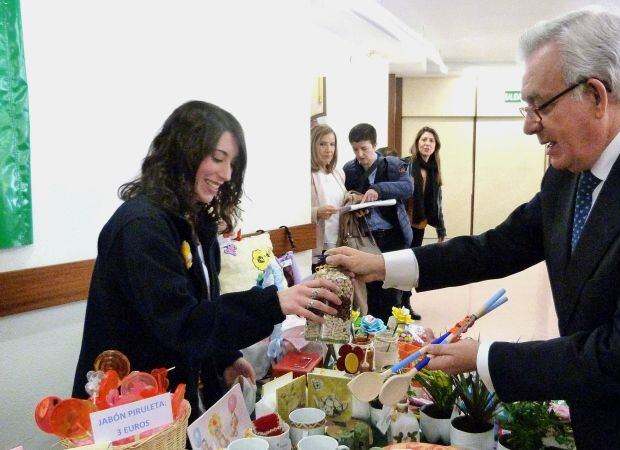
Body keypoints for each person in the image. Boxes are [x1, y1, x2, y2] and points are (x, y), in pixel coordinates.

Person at [328, 7, 620, 448]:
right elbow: (498, 246)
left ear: (596, 95)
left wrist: (484, 358)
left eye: (540, 106)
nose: (527, 125)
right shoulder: (573, 167)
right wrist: (382, 265)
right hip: (606, 414)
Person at [72, 101, 340, 421]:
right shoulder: (141, 227)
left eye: (232, 164)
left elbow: (203, 306)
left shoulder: (196, 220)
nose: (226, 174)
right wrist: (274, 303)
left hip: (170, 398)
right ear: (183, 151)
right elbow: (183, 324)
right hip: (128, 406)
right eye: (217, 158)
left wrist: (224, 358)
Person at [342, 123, 413, 321]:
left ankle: (391, 337)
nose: (360, 154)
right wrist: (355, 200)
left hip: (393, 236)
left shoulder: (391, 164)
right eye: (355, 149)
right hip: (366, 238)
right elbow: (346, 197)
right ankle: (371, 336)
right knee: (369, 290)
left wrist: (378, 189)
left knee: (392, 290)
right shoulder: (349, 169)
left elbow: (407, 188)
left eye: (364, 148)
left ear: (374, 145)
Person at [400, 126, 447, 320]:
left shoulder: (434, 170)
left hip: (419, 225)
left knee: (411, 265)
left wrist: (441, 228)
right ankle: (397, 304)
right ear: (417, 143)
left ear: (435, 146)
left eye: (431, 141)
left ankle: (405, 303)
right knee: (400, 264)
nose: (427, 144)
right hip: (402, 225)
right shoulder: (406, 165)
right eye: (423, 140)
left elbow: (438, 202)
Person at [310, 124, 346, 268]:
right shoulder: (306, 175)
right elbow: (294, 211)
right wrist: (316, 212)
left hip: (338, 241)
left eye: (332, 144)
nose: (329, 150)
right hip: (318, 244)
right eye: (322, 144)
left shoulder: (338, 173)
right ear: (313, 146)